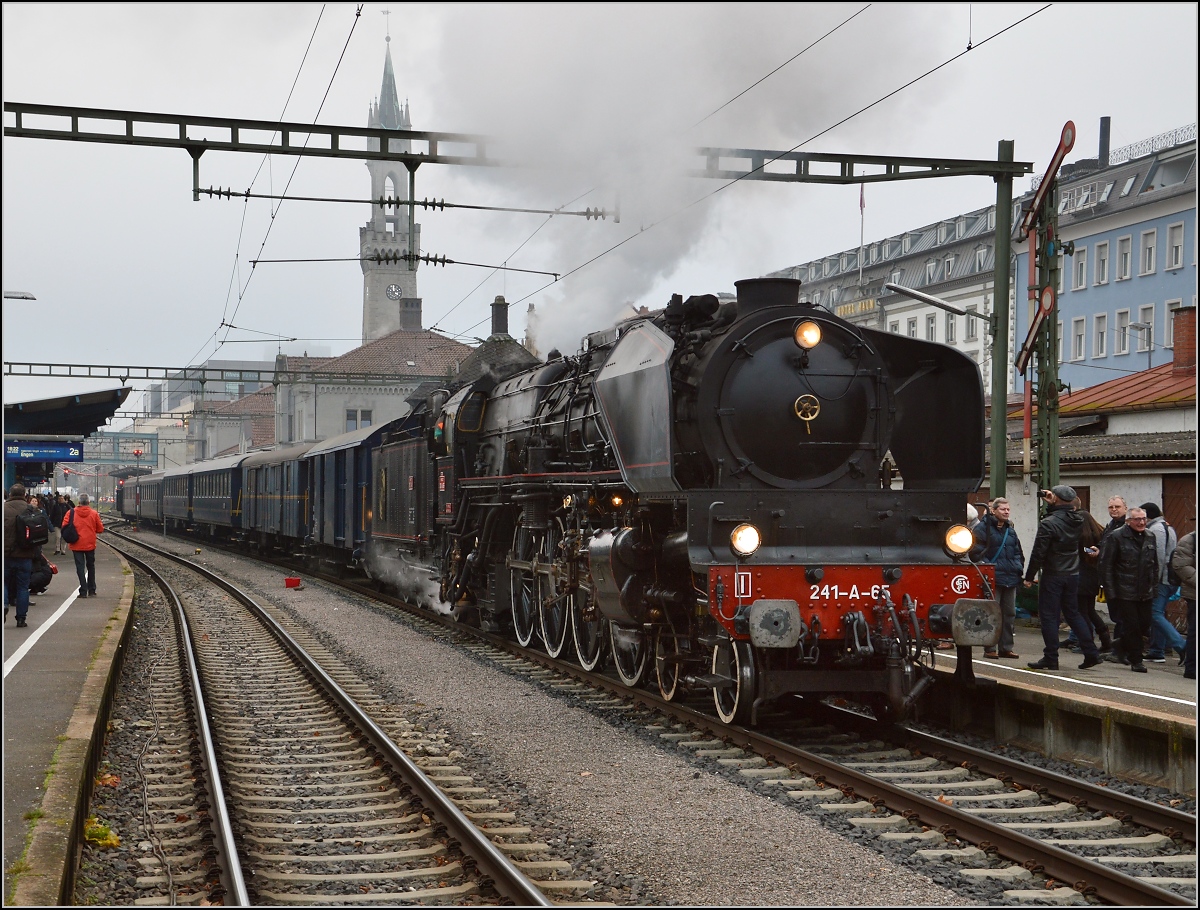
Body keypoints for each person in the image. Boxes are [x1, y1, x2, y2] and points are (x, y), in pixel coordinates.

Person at [1024, 484, 1101, 670]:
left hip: (1053, 574)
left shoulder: (1049, 523)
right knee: (1073, 614)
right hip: (1073, 573)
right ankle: (1091, 653)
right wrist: (1054, 504)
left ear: (1056, 499)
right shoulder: (1077, 519)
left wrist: (1029, 576)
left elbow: (1039, 552)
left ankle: (1051, 657)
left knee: (1049, 617)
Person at [1099, 506, 1158, 673]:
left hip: (1145, 590)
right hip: (1124, 590)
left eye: (1144, 519)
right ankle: (1136, 660)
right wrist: (1111, 592)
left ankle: (1120, 643)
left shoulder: (1150, 537)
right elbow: (1106, 565)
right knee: (1132, 626)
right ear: (1128, 521)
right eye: (1137, 519)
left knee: (1145, 624)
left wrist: (1154, 587)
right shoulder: (1116, 537)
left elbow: (1154, 564)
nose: (1141, 522)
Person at [972, 497, 1023, 659]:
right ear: (993, 510)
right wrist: (989, 568)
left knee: (1009, 614)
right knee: (991, 613)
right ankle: (990, 648)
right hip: (992, 577)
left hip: (1010, 576)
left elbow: (1017, 552)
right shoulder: (982, 529)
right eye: (1003, 509)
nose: (1007, 512)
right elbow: (975, 552)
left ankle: (1006, 647)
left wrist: (1017, 567)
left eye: (1008, 509)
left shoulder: (1011, 530)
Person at [1063, 510, 1112, 654]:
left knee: (1081, 612)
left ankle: (1086, 641)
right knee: (1090, 611)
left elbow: (1079, 552)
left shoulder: (1079, 538)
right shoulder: (1100, 533)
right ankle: (1105, 640)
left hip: (1080, 577)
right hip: (1093, 578)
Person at [1141, 503, 1183, 663]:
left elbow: (1156, 557)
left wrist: (1153, 582)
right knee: (1158, 612)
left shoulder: (1156, 529)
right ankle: (1157, 650)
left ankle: (1181, 646)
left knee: (1155, 613)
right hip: (1168, 578)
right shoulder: (1167, 527)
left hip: (1161, 579)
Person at [4, 483, 38, 627]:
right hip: (25, 555)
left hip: (5, 554)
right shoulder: (31, 510)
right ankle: (21, 618)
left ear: (10, 494)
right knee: (23, 587)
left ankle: (4, 605)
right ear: (25, 495)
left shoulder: (3, 509)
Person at [64, 493, 104, 598]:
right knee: (91, 566)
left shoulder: (70, 512)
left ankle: (83, 590)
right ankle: (92, 590)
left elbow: (64, 526)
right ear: (88, 502)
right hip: (90, 544)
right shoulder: (94, 513)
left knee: (80, 567)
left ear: (79, 502)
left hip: (76, 543)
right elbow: (100, 529)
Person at [1171, 530, 1195, 681]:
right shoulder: (1189, 540)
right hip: (1195, 593)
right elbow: (1181, 566)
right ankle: (1192, 667)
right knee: (1195, 632)